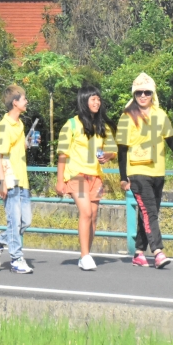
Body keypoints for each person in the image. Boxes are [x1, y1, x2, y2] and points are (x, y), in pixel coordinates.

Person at [116, 73, 173, 269]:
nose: (143, 96)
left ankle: (139, 253)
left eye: (147, 92)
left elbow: (172, 141)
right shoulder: (127, 117)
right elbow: (122, 149)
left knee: (148, 213)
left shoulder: (160, 115)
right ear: (134, 94)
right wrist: (123, 177)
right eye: (139, 92)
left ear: (152, 94)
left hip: (158, 172)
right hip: (137, 172)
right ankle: (158, 252)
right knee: (150, 212)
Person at [57, 88, 112, 272]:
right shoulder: (71, 124)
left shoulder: (101, 126)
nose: (97, 103)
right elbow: (62, 154)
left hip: (95, 176)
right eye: (93, 99)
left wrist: (108, 156)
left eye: (98, 99)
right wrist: (59, 181)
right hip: (76, 175)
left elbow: (111, 149)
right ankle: (85, 256)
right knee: (86, 212)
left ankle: (86, 253)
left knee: (94, 216)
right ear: (84, 101)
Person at [0, 84, 34, 274]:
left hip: (23, 178)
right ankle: (16, 259)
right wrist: (2, 182)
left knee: (25, 222)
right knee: (14, 221)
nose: (26, 101)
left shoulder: (20, 124)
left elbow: (19, 147)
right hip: (10, 179)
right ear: (15, 103)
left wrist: (27, 143)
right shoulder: (3, 126)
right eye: (24, 98)